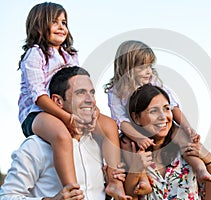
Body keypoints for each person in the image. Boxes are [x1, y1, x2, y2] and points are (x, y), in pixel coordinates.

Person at [17, 2, 124, 197]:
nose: (61, 27)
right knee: (61, 135)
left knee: (108, 125)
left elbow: (80, 86)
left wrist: (94, 112)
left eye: (64, 22)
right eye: (55, 22)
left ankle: (114, 180)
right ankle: (73, 189)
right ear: (39, 25)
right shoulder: (35, 54)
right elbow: (39, 96)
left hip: (66, 109)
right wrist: (68, 119)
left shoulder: (70, 55)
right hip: (36, 113)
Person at [0, 66, 132, 200]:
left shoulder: (102, 143)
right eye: (80, 93)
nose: (90, 100)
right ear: (58, 101)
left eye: (92, 93)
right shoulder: (36, 146)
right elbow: (7, 196)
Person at [104, 40, 211, 193]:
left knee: (182, 136)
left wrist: (187, 127)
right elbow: (121, 121)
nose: (149, 71)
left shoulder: (153, 81)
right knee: (125, 144)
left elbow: (173, 106)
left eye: (150, 66)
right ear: (128, 68)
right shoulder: (116, 91)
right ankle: (142, 179)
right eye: (143, 67)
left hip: (157, 126)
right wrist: (138, 138)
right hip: (134, 131)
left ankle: (200, 168)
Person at [124, 84, 211, 200]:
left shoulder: (186, 150)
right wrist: (135, 169)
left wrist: (210, 161)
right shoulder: (127, 151)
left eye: (166, 108)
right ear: (136, 118)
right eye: (153, 111)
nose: (163, 117)